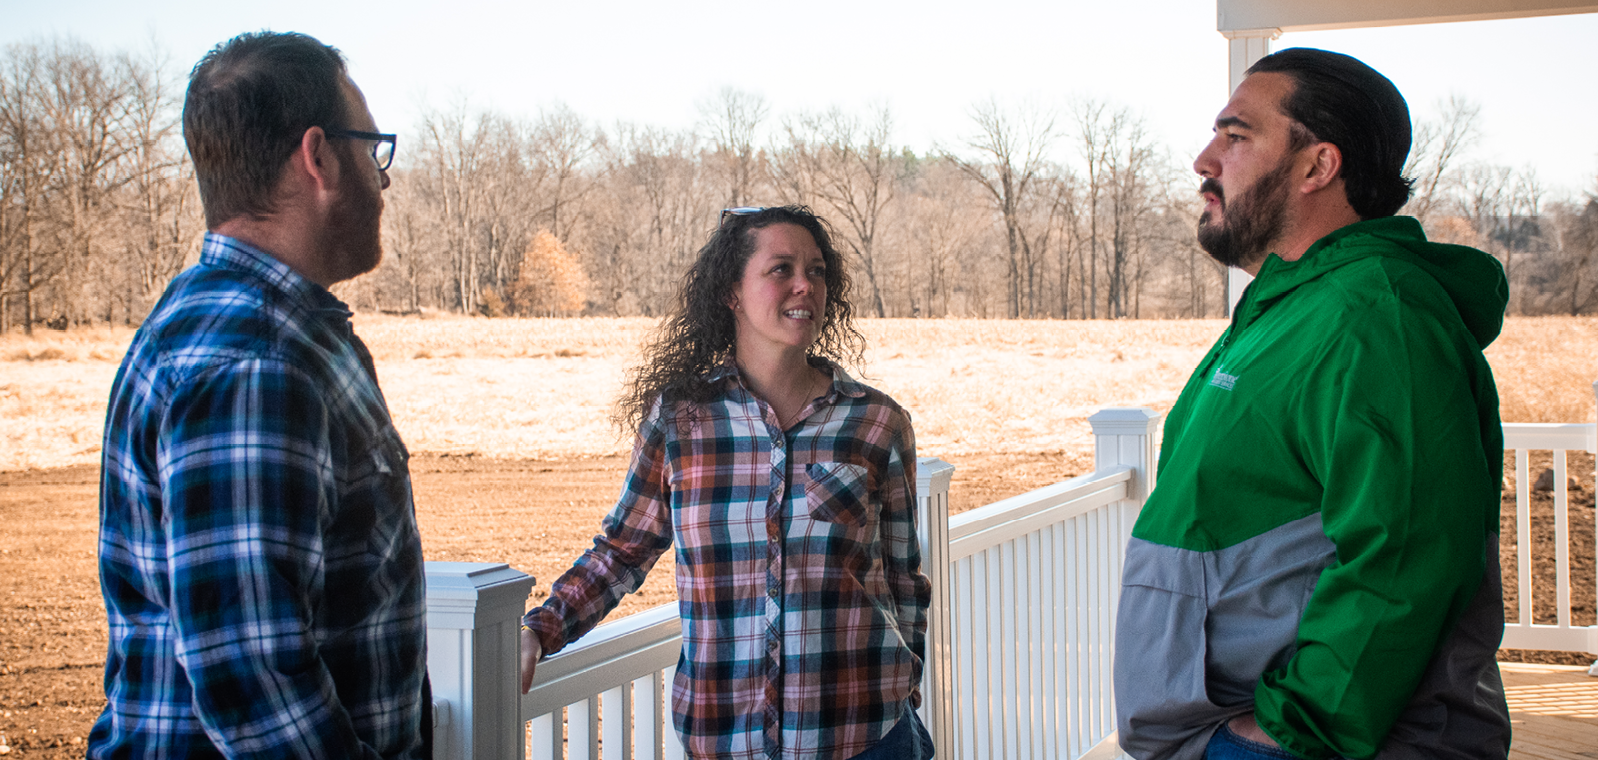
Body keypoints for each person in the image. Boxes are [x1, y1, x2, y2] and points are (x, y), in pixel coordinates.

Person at [1114, 48, 1511, 760]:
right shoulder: (1291, 309)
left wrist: (1292, 729)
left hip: (1308, 744)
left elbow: (1411, 549)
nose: (1205, 159)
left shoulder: (1376, 317)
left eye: (1236, 136)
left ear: (1316, 166)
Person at [90, 32, 430, 759]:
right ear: (318, 157)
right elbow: (255, 681)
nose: (384, 179)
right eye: (373, 149)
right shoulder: (258, 358)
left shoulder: (232, 320)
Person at [519, 205, 932, 759]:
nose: (804, 285)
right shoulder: (681, 419)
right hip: (724, 738)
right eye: (780, 269)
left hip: (865, 735)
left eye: (817, 270)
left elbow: (904, 578)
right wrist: (539, 630)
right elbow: (623, 550)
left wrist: (907, 684)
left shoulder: (877, 422)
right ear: (731, 293)